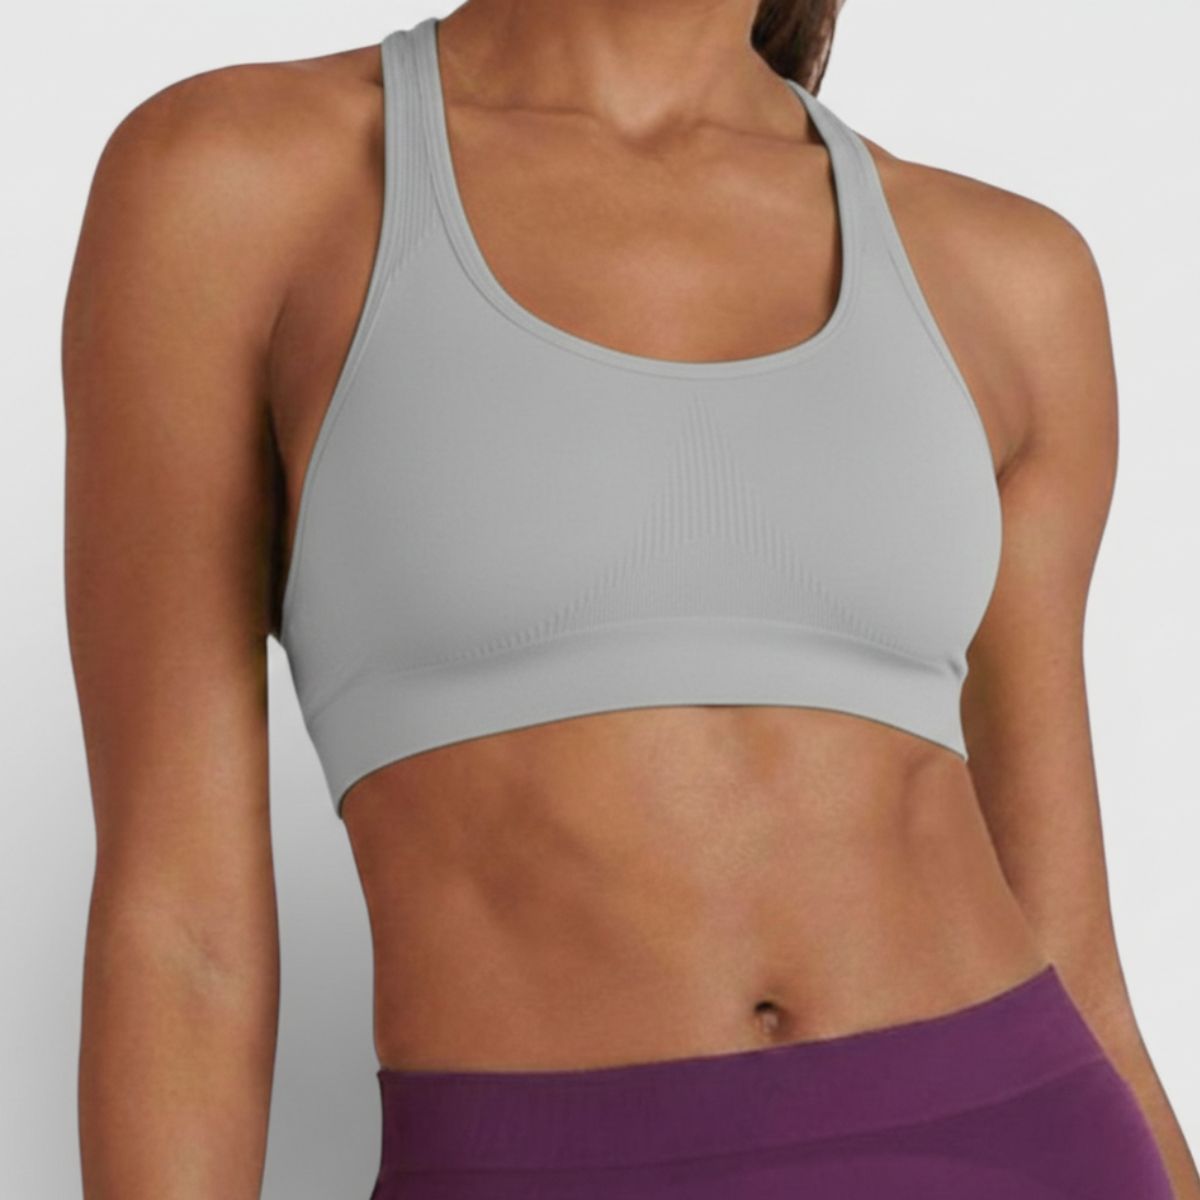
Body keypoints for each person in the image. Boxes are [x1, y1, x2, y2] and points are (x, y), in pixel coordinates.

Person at [64, 1, 1197, 1197]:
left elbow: (1076, 952)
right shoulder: (240, 177)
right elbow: (180, 931)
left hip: (1020, 1143)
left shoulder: (1009, 273)